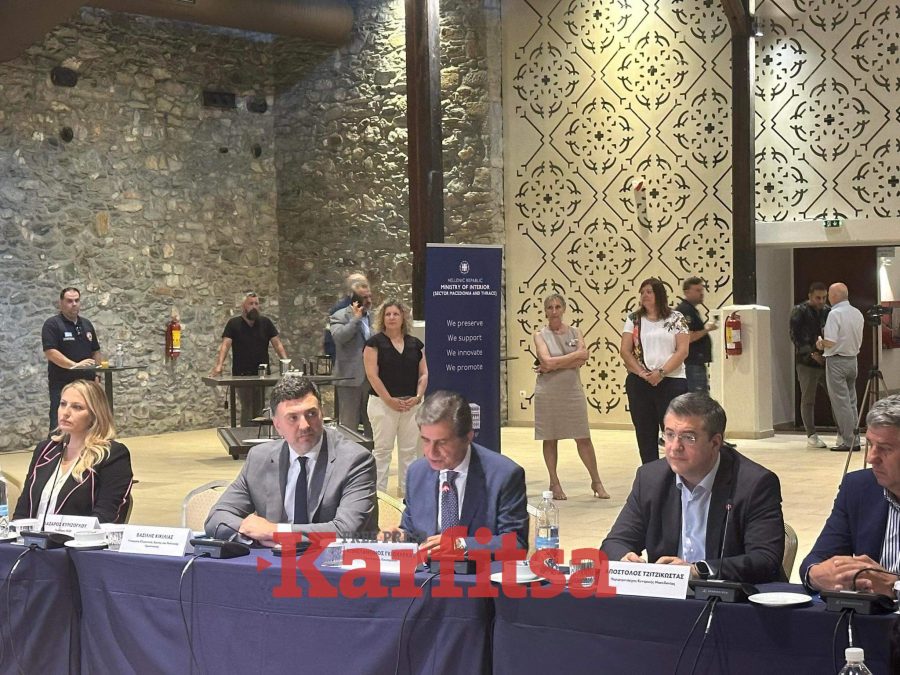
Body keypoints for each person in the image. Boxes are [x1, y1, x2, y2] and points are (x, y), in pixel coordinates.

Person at [601, 393, 786, 583]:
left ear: (715, 443)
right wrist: (625, 560)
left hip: (734, 595)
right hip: (668, 594)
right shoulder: (650, 478)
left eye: (688, 437)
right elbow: (615, 543)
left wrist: (698, 571)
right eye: (669, 434)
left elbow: (765, 559)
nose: (674, 447)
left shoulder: (755, 483)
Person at [205, 376, 378, 544]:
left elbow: (346, 530)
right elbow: (217, 517)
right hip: (272, 560)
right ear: (277, 425)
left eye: (311, 414)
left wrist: (275, 532)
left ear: (322, 414)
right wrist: (251, 534)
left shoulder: (355, 460)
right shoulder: (259, 458)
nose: (304, 425)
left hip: (338, 560)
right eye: (293, 418)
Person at [400, 390, 528, 552]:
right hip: (427, 567)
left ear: (468, 437)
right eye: (426, 441)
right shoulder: (417, 472)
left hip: (479, 567)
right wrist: (398, 537)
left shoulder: (504, 475)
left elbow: (516, 544)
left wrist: (460, 544)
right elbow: (412, 533)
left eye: (442, 442)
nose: (431, 453)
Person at [799, 394, 900, 595]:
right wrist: (818, 574)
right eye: (870, 444)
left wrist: (894, 587)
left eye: (885, 449)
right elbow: (817, 559)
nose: (871, 458)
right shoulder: (858, 488)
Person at [15, 380, 133, 524]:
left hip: (78, 538)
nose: (65, 413)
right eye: (63, 404)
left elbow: (106, 517)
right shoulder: (45, 449)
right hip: (31, 537)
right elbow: (23, 508)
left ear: (95, 414)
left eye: (77, 407)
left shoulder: (112, 455)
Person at [533, 293, 609, 500]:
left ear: (564, 309)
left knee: (583, 436)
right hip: (548, 392)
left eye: (558, 307)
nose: (554, 311)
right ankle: (554, 482)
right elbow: (546, 361)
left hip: (572, 390)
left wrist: (555, 363)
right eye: (550, 307)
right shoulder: (540, 335)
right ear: (545, 311)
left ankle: (596, 481)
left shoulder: (576, 332)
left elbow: (582, 358)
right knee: (550, 438)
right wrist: (572, 357)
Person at [620, 278, 690, 464]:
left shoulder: (676, 318)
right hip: (641, 382)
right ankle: (650, 471)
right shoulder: (634, 319)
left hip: (672, 380)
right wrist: (642, 373)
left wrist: (661, 372)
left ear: (659, 294)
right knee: (645, 432)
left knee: (674, 431)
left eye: (649, 292)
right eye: (642, 292)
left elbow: (682, 350)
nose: (644, 295)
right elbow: (625, 351)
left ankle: (676, 470)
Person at [363, 300, 427, 495]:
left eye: (395, 314)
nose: (391, 317)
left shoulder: (415, 344)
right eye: (388, 314)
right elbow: (372, 376)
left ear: (403, 317)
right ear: (382, 318)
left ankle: (408, 495)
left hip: (411, 405)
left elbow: (424, 373)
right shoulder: (374, 344)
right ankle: (379, 496)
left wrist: (418, 397)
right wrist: (389, 400)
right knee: (383, 451)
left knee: (409, 452)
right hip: (382, 405)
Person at [212, 292, 288, 427]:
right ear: (244, 306)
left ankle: (259, 435)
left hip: (262, 374)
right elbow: (225, 345)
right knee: (247, 406)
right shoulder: (234, 324)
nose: (254, 306)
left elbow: (277, 344)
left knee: (259, 407)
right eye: (251, 304)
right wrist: (219, 365)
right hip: (242, 374)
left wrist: (286, 362)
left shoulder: (265, 323)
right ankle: (245, 434)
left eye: (256, 304)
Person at [42, 287, 102, 431]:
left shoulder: (86, 324)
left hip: (87, 384)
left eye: (77, 300)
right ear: (61, 303)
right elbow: (51, 352)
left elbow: (95, 351)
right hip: (62, 384)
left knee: (90, 422)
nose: (74, 304)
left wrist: (98, 375)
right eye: (69, 301)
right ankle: (57, 446)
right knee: (61, 424)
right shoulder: (52, 324)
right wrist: (75, 365)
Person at [816, 282, 864, 451]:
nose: (828, 298)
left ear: (835, 296)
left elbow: (831, 341)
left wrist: (820, 343)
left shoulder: (834, 314)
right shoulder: (857, 313)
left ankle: (849, 441)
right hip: (852, 360)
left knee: (841, 403)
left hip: (836, 361)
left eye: (829, 294)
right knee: (851, 402)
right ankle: (855, 437)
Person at [330, 280, 373, 436]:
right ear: (355, 299)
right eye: (364, 298)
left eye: (370, 296)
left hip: (372, 379)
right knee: (349, 424)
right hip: (349, 377)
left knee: (372, 422)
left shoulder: (374, 317)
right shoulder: (339, 316)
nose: (368, 301)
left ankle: (372, 450)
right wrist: (355, 319)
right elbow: (340, 337)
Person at [790, 282, 830, 447]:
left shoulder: (828, 311)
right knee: (808, 398)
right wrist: (812, 354)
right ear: (810, 296)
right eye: (818, 298)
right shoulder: (799, 311)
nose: (821, 301)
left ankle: (843, 432)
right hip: (806, 362)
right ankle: (811, 434)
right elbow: (795, 337)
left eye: (824, 297)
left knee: (836, 396)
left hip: (826, 359)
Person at [675, 277, 717, 393]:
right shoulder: (685, 311)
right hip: (691, 363)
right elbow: (688, 337)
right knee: (698, 398)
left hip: (695, 362)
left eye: (702, 290)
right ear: (687, 292)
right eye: (697, 290)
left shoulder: (691, 310)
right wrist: (707, 330)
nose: (701, 293)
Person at [323, 272, 368, 362]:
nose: (367, 289)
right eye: (363, 286)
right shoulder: (339, 311)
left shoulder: (367, 310)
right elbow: (330, 339)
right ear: (354, 289)